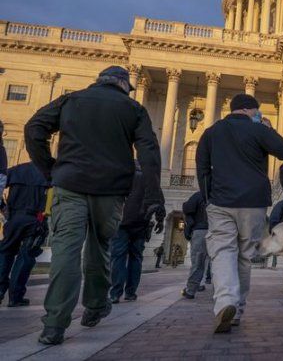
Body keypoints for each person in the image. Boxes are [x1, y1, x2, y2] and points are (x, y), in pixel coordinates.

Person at [24, 66, 165, 345]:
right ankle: (96, 305)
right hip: (110, 190)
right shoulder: (133, 109)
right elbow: (149, 153)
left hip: (70, 184)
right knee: (100, 246)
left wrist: (49, 169)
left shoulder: (71, 100)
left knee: (66, 250)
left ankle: (54, 325)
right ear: (124, 84)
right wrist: (153, 194)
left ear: (98, 81)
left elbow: (33, 129)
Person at [196, 93, 283, 333]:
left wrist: (208, 198)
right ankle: (236, 310)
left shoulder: (212, 132)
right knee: (244, 256)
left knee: (222, 251)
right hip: (253, 201)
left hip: (221, 200)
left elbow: (202, 168)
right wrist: (267, 128)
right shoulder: (258, 130)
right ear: (251, 110)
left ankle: (225, 301)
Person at [109, 162, 165, 304]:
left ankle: (115, 293)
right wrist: (160, 220)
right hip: (141, 223)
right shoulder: (150, 179)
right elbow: (159, 201)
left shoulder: (123, 176)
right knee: (136, 257)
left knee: (118, 257)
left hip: (121, 222)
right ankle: (130, 292)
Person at [0, 162, 49, 307]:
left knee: (5, 252)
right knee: (26, 256)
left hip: (13, 218)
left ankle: (0, 290)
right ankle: (16, 296)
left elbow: (1, 183)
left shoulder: (16, 171)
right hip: (34, 220)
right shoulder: (48, 172)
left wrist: (2, 207)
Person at [182, 191, 209, 299]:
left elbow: (187, 210)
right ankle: (224, 294)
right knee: (220, 263)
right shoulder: (222, 193)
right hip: (219, 231)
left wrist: (189, 228)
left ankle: (191, 290)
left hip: (201, 230)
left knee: (198, 261)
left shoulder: (199, 194)